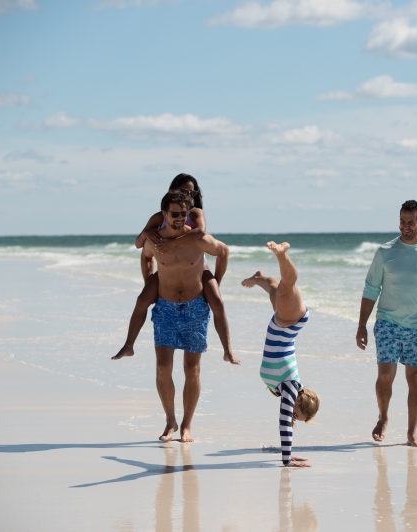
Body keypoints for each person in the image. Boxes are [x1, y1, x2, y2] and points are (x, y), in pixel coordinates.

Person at [124, 190, 230, 442]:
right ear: (164, 215)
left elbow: (223, 251)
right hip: (166, 308)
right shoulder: (154, 239)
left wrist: (216, 281)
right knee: (163, 368)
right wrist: (149, 282)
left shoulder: (198, 240)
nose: (180, 218)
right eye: (174, 214)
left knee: (192, 370)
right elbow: (144, 254)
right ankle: (170, 421)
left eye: (183, 214)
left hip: (195, 307)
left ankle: (187, 426)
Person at [113, 174, 239, 365]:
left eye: (191, 192)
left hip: (198, 264)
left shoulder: (195, 212)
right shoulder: (159, 216)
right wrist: (146, 234)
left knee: (217, 301)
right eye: (183, 191)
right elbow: (140, 246)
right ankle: (129, 345)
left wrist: (216, 281)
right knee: (142, 299)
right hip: (167, 264)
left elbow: (200, 232)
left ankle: (228, 350)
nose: (187, 195)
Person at [355, 200, 417, 448]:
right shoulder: (385, 252)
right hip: (387, 322)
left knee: (416, 380)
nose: (405, 226)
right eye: (402, 221)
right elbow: (371, 289)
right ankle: (383, 417)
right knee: (386, 377)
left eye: (411, 222)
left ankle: (411, 433)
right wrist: (362, 325)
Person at [241, 242, 320, 468]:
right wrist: (286, 459)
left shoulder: (284, 389)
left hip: (280, 324)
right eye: (297, 415)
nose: (292, 417)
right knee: (288, 285)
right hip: (290, 323)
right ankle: (282, 256)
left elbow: (288, 420)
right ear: (299, 402)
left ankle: (259, 278)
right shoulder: (291, 387)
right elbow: (284, 422)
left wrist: (290, 452)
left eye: (296, 418)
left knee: (275, 289)